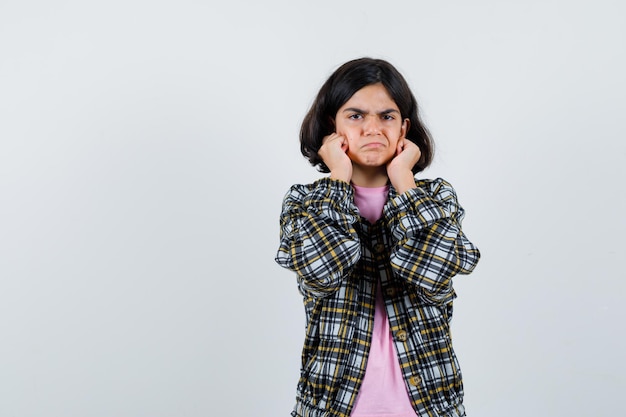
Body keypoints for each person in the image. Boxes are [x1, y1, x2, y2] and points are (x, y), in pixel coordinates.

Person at [275, 57, 480, 417]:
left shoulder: (435, 199)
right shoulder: (304, 203)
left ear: (404, 128)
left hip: (429, 408)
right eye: (355, 116)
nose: (373, 128)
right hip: (332, 408)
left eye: (386, 116)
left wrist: (404, 180)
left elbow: (438, 270)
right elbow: (320, 270)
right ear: (331, 127)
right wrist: (339, 175)